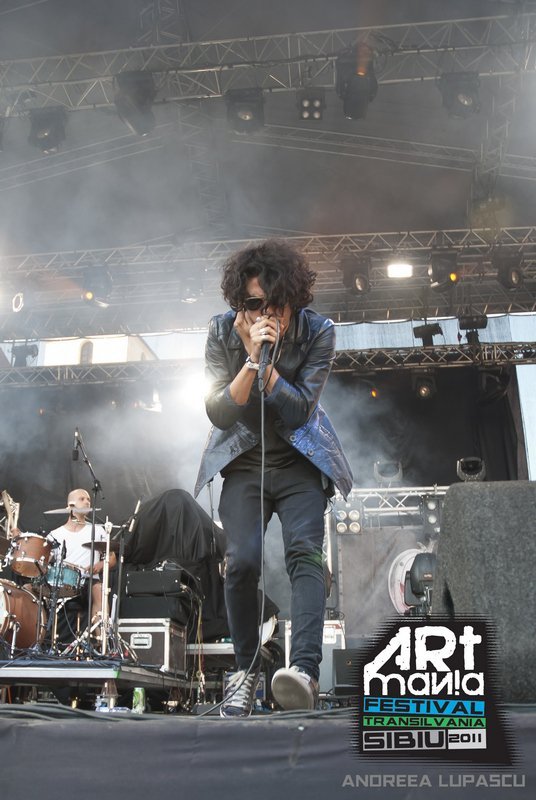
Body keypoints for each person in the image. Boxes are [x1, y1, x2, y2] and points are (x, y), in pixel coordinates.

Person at [195, 239, 353, 717]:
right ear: (238, 302)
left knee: (305, 555)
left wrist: (269, 369)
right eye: (252, 304)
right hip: (244, 462)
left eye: (274, 304)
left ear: (292, 300)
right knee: (241, 561)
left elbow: (300, 409)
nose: (263, 314)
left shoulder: (319, 331)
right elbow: (219, 413)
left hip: (300, 462)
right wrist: (250, 359)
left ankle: (303, 671)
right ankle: (245, 671)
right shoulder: (220, 331)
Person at [48, 488, 116, 621]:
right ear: (71, 505)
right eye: (82, 499)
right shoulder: (55, 534)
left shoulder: (97, 530)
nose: (87, 502)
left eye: (88, 500)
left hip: (88, 580)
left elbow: (112, 558)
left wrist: (100, 565)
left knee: (99, 590)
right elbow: (45, 559)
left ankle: (101, 632)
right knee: (32, 589)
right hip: (61, 580)